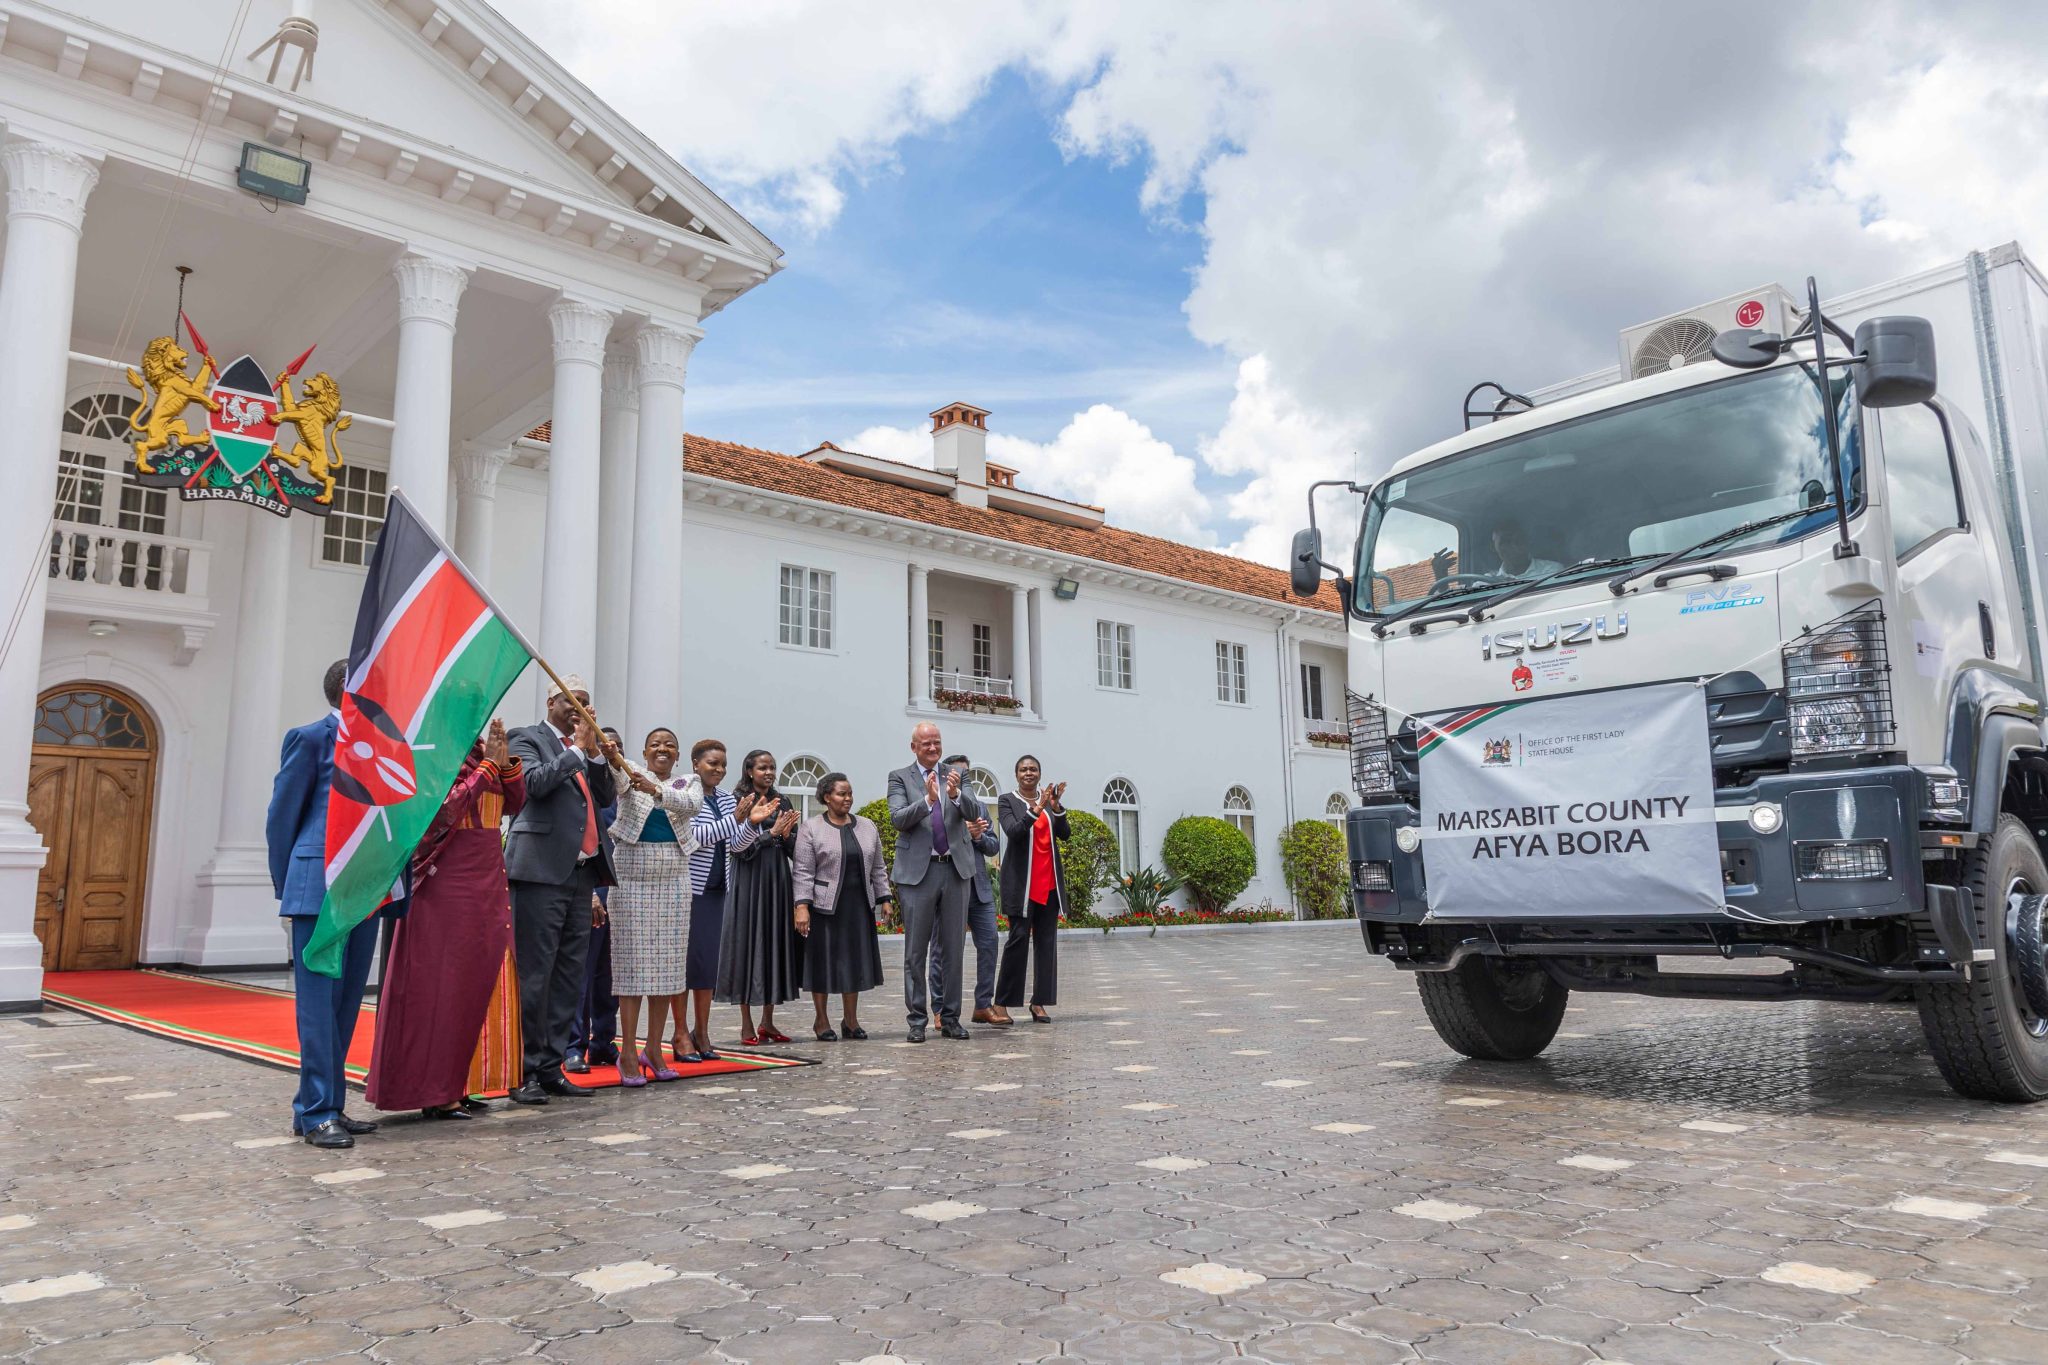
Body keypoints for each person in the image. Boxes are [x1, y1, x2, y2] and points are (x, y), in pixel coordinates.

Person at [365, 720, 526, 1120]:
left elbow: (514, 805)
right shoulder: (433, 756)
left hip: (486, 877)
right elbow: (442, 813)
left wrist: (504, 768)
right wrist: (488, 768)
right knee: (444, 985)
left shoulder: (481, 755)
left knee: (480, 979)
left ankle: (463, 1082)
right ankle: (435, 1090)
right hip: (447, 883)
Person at [266, 659, 381, 1149]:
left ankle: (327, 1103)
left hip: (364, 889)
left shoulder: (381, 748)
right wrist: (289, 884)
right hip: (317, 887)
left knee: (346, 1004)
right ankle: (317, 1113)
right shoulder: (310, 738)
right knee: (317, 1007)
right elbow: (281, 818)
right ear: (345, 689)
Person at [503, 675, 619, 1104]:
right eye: (571, 701)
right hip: (540, 872)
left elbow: (605, 799)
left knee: (569, 976)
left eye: (585, 702)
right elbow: (532, 784)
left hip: (582, 874)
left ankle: (551, 1067)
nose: (579, 707)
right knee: (536, 975)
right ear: (551, 702)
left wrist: (597, 756)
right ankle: (526, 1071)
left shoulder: (583, 749)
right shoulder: (526, 738)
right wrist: (575, 750)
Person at [606, 728, 703, 1086]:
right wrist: (612, 754)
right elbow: (616, 776)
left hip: (674, 880)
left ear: (677, 755)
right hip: (631, 877)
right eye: (655, 745)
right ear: (644, 751)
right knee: (631, 969)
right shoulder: (630, 770)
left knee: (667, 971)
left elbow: (692, 805)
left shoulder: (687, 781)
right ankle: (628, 1051)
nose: (662, 749)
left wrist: (658, 790)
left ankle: (654, 1048)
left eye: (670, 746)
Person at [677, 740, 769, 1062]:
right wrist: (736, 821)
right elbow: (693, 839)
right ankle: (679, 1033)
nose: (718, 769)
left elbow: (736, 844)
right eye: (712, 763)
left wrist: (752, 824)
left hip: (718, 890)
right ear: (695, 764)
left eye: (722, 765)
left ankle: (701, 1032)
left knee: (707, 969)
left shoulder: (729, 799)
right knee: (684, 967)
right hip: (690, 891)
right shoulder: (683, 793)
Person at [887, 722, 980, 1042]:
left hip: (955, 870)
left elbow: (975, 810)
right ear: (913, 747)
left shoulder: (958, 774)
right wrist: (927, 801)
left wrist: (953, 795)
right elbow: (898, 818)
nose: (932, 748)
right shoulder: (900, 777)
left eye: (936, 742)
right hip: (918, 874)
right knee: (915, 952)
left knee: (954, 949)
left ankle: (951, 1017)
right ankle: (916, 1020)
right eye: (926, 743)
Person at [791, 772, 890, 1039]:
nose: (847, 798)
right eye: (841, 794)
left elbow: (878, 867)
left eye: (849, 793)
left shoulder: (867, 826)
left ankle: (851, 1020)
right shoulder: (811, 827)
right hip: (825, 908)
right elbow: (802, 871)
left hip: (858, 906)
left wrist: (885, 898)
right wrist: (801, 905)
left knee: (854, 963)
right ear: (827, 797)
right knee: (822, 964)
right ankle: (821, 1020)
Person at [717, 749, 803, 1045]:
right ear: (749, 770)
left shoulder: (783, 800)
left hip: (777, 879)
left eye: (772, 767)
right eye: (763, 767)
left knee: (775, 944)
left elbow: (792, 849)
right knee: (747, 944)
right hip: (749, 880)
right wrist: (772, 834)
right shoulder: (739, 801)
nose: (769, 772)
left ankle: (768, 1021)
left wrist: (789, 835)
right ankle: (746, 1024)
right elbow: (739, 849)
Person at [932, 754, 1005, 1026]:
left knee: (989, 945)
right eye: (957, 774)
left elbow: (993, 846)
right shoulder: (936, 807)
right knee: (942, 951)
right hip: (948, 886)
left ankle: (983, 1005)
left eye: (966, 775)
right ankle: (940, 1009)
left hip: (979, 889)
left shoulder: (980, 808)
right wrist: (962, 831)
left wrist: (977, 836)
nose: (962, 779)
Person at [996, 756, 1070, 1023]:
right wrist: (1036, 809)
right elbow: (1013, 831)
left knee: (1046, 943)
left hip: (1048, 883)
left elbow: (1064, 834)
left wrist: (1056, 807)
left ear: (1040, 773)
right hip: (1021, 885)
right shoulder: (1007, 800)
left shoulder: (1049, 801)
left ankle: (1039, 1002)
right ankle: (1002, 1003)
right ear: (1016, 774)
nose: (1029, 773)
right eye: (1024, 769)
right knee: (1017, 941)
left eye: (1033, 769)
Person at [567, 728, 623, 1075]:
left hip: (623, 894)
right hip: (592, 891)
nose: (609, 751)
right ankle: (574, 1046)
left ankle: (604, 1042)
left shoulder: (627, 791)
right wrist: (588, 893)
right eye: (603, 745)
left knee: (611, 977)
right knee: (581, 975)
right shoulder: (582, 789)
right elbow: (580, 842)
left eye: (615, 747)